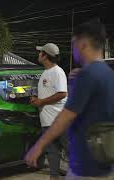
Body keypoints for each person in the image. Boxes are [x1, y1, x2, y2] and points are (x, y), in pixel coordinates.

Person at [25, 19, 114, 179]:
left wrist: (38, 146)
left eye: (74, 44)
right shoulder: (107, 74)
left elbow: (66, 116)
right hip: (103, 162)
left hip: (86, 166)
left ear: (83, 43)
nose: (73, 49)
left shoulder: (89, 74)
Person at [29, 43, 67, 180]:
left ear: (45, 56)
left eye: (41, 53)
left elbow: (62, 93)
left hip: (59, 121)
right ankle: (54, 177)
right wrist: (37, 100)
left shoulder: (58, 72)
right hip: (47, 121)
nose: (38, 55)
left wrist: (41, 102)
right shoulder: (45, 72)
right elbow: (48, 94)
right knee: (52, 152)